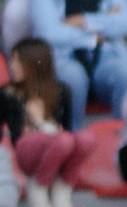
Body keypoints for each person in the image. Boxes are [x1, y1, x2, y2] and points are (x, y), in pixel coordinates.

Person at [0, 38, 97, 207]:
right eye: (12, 60)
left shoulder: (62, 90)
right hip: (27, 151)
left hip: (57, 148)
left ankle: (64, 185)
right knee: (63, 140)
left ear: (33, 64)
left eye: (17, 60)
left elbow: (67, 130)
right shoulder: (7, 93)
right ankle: (39, 185)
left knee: (86, 138)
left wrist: (43, 124)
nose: (12, 66)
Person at [31, 0, 127, 131]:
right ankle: (72, 137)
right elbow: (50, 33)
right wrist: (94, 35)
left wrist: (83, 21)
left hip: (106, 55)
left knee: (124, 72)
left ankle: (121, 139)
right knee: (73, 77)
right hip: (63, 58)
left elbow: (123, 23)